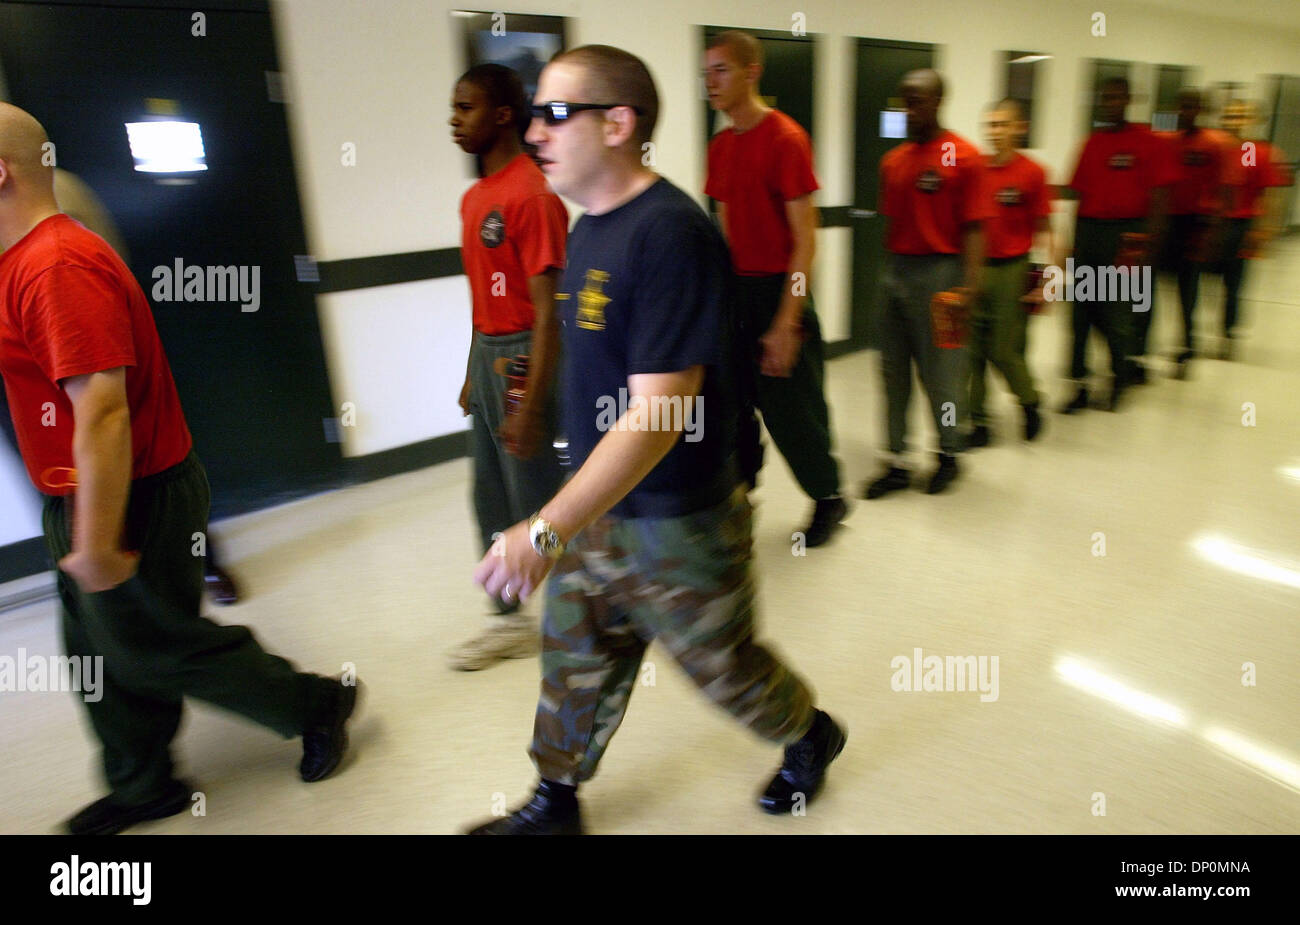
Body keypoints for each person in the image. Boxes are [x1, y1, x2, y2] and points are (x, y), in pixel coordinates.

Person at [464, 45, 846, 835]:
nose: (534, 131)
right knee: (574, 658)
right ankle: (554, 802)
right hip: (602, 506)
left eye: (554, 113)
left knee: (727, 672)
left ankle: (811, 733)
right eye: (534, 113)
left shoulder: (669, 233)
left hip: (680, 518)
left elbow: (662, 411)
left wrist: (544, 525)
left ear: (618, 124)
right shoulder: (591, 228)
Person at [0, 102, 357, 835]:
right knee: (99, 650)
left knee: (157, 645)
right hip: (78, 491)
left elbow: (102, 412)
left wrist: (97, 539)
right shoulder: (22, 261)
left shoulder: (55, 265)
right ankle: (143, 785)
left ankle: (314, 702)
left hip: (133, 491)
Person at [702, 30, 847, 546]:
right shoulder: (719, 147)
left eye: (720, 70)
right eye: (706, 73)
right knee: (731, 404)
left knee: (794, 409)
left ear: (751, 72)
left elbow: (805, 243)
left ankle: (828, 496)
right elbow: (722, 227)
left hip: (779, 292)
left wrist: (787, 321)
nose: (710, 83)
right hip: (736, 295)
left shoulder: (786, 139)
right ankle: (740, 493)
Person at [447, 63, 567, 670]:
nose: (453, 120)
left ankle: (582, 613)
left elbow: (547, 314)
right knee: (488, 498)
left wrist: (531, 403)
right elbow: (483, 296)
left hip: (526, 357)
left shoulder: (533, 195)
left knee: (541, 501)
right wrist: (474, 370)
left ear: (500, 116)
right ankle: (508, 622)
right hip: (489, 356)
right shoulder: (474, 199)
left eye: (464, 108)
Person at [867, 69, 988, 498]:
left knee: (944, 375)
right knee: (891, 371)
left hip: (943, 275)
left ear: (938, 101)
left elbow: (974, 227)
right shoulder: (893, 161)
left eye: (916, 101)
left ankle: (949, 453)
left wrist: (969, 288)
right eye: (903, 101)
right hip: (897, 271)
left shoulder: (962, 156)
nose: (907, 110)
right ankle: (897, 460)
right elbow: (893, 223)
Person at [1061, 76, 1175, 412]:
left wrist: (1148, 247)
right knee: (1080, 315)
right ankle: (1079, 385)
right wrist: (1074, 244)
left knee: (1117, 314)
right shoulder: (1091, 143)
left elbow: (1160, 199)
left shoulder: (1150, 143)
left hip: (1127, 236)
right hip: (1090, 234)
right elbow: (1079, 197)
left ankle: (1118, 377)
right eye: (1105, 97)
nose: (1110, 103)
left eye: (1116, 97)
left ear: (1128, 100)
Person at [968, 98, 1052, 447]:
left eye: (1002, 125)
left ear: (1020, 127)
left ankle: (1029, 401)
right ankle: (979, 422)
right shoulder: (975, 169)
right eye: (990, 125)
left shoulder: (1033, 172)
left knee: (1004, 351)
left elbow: (1045, 228)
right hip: (975, 269)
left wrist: (1047, 278)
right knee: (970, 353)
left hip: (1012, 269)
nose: (995, 132)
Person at [1158, 88, 1229, 378]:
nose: (1185, 112)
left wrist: (1215, 230)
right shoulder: (1165, 142)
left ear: (1200, 110)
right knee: (1148, 288)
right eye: (1182, 106)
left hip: (1195, 223)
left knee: (1187, 289)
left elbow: (1223, 189)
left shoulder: (1214, 144)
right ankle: (1138, 350)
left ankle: (1186, 345)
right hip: (1167, 222)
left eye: (1191, 107)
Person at [1214, 99, 1292, 359]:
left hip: (1238, 224)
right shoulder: (1219, 146)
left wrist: (1262, 230)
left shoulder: (1250, 150)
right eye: (1230, 115)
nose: (1234, 122)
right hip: (1215, 223)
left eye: (1241, 116)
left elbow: (1261, 191)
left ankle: (1228, 333)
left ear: (1253, 120)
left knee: (1233, 283)